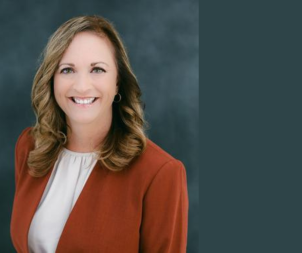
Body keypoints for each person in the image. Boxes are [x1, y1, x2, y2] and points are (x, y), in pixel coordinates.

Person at [10, 15, 188, 253]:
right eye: (67, 70)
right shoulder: (30, 147)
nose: (82, 86)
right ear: (52, 80)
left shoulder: (160, 173)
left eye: (97, 69)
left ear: (117, 83)